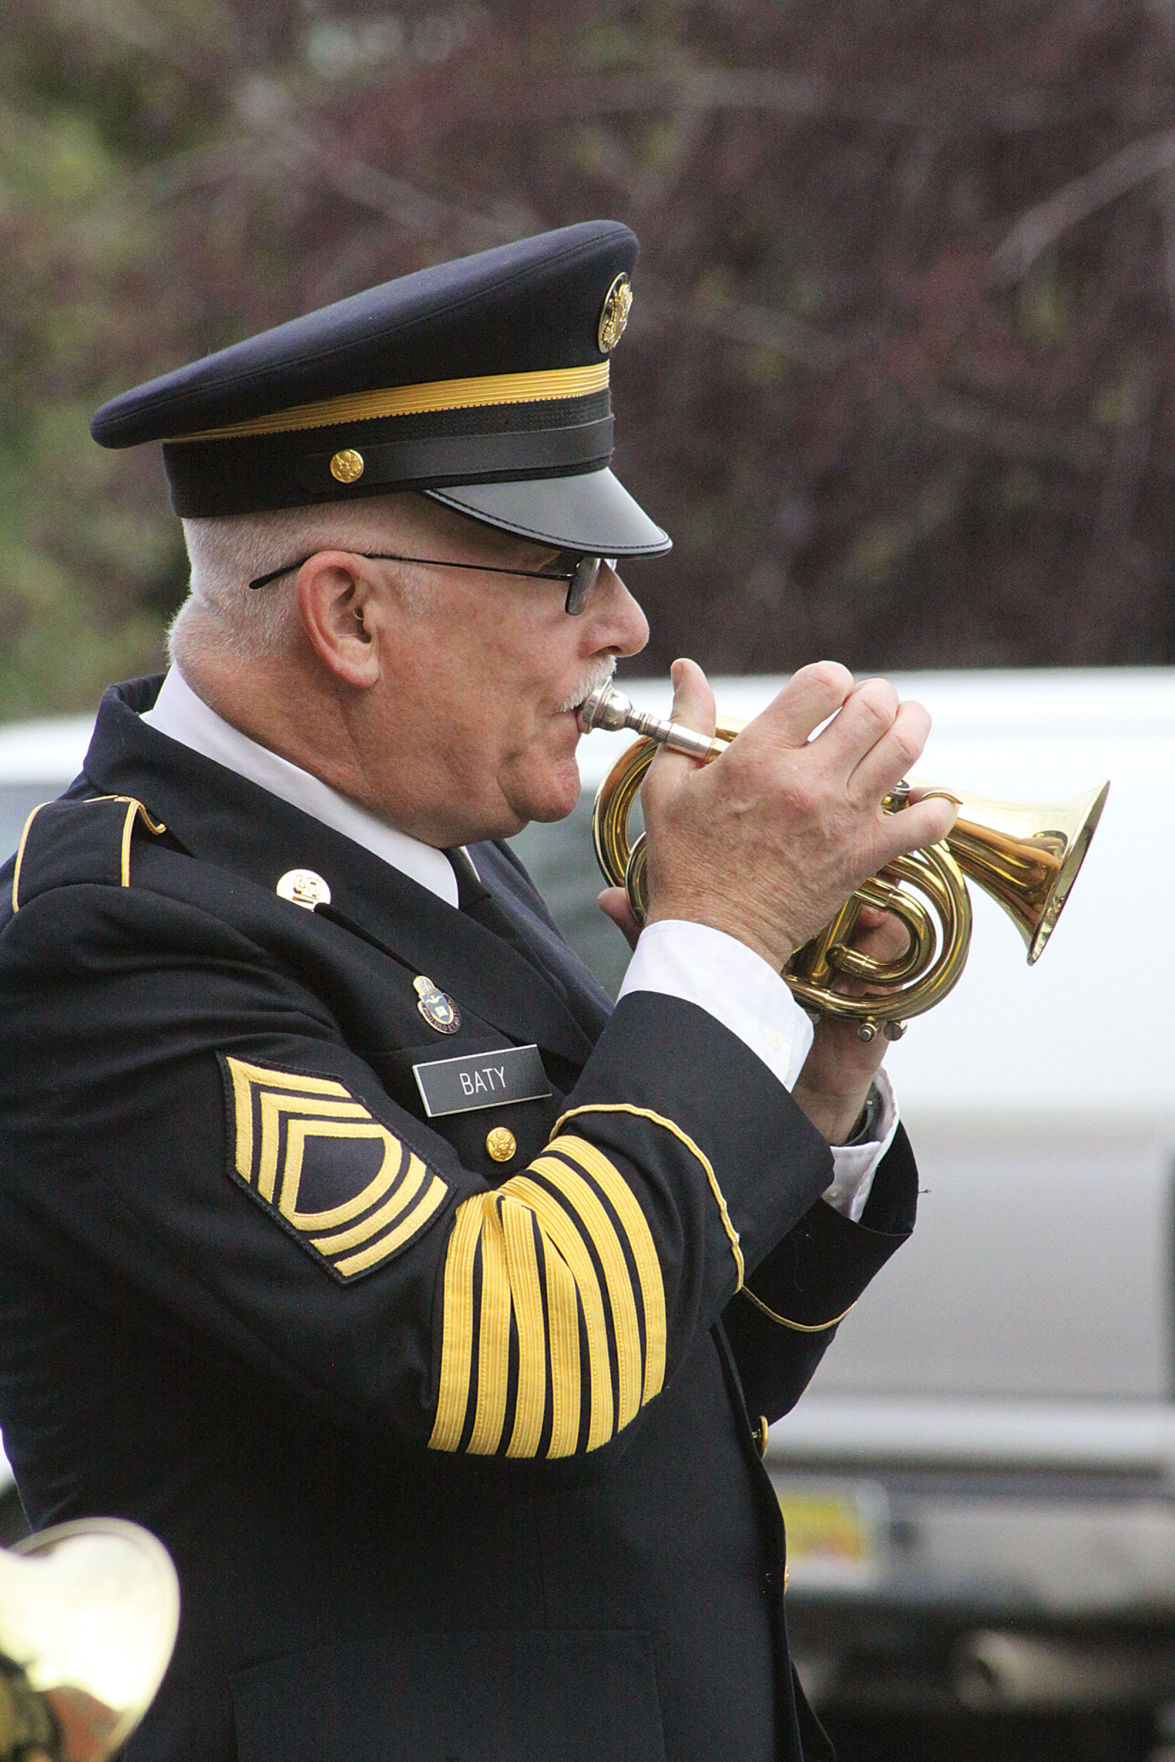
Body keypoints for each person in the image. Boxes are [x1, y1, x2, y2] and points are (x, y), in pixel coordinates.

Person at [0, 220, 955, 1762]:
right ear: (351, 615)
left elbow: (681, 1374)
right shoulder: (116, 943)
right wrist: (711, 948)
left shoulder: (449, 865)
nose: (627, 627)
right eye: (567, 572)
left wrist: (811, 1074)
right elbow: (521, 1362)